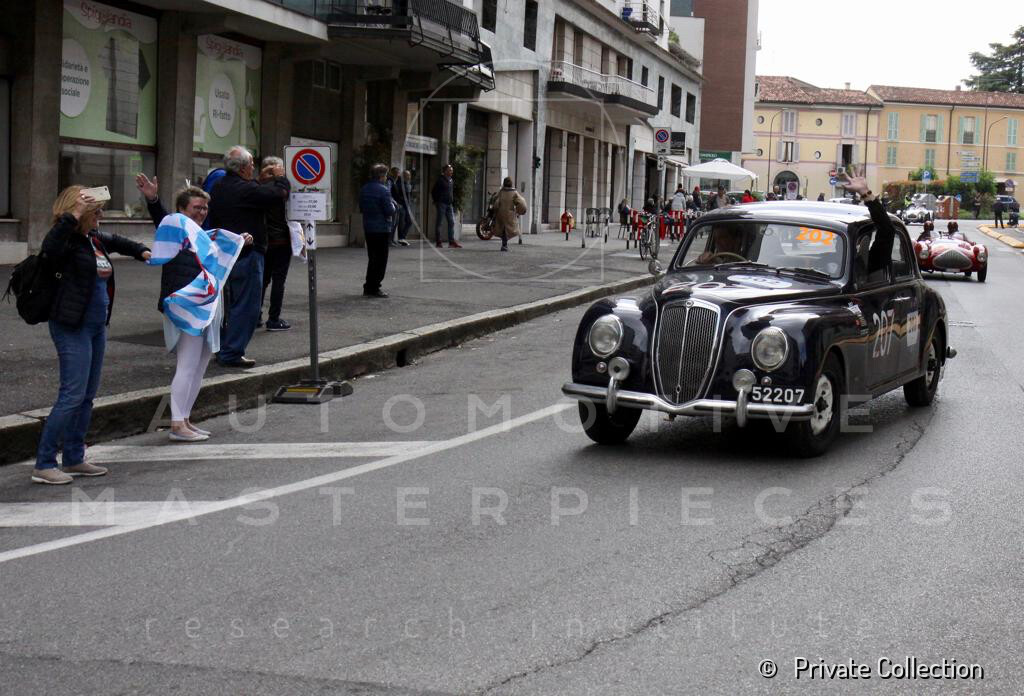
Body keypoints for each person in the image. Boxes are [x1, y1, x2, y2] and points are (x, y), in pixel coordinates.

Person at [32, 187, 152, 484]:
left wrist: (142, 251)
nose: (101, 215)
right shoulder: (66, 239)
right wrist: (73, 213)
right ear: (80, 212)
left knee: (86, 397)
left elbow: (119, 242)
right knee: (72, 395)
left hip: (97, 326)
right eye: (95, 210)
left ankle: (74, 458)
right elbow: (49, 250)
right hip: (72, 326)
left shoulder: (93, 238)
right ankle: (44, 463)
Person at [137, 174, 250, 441]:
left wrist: (241, 243)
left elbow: (221, 261)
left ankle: (185, 419)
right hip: (185, 304)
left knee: (199, 365)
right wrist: (153, 200)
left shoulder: (200, 236)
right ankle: (177, 424)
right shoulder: (177, 227)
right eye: (197, 207)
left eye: (205, 208)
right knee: (188, 365)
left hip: (206, 305)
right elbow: (163, 219)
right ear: (182, 209)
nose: (202, 212)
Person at [205, 146, 290, 368]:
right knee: (247, 307)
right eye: (252, 164)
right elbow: (278, 195)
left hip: (225, 255)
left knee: (228, 306)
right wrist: (280, 178)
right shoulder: (245, 189)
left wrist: (260, 180)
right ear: (243, 168)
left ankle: (223, 348)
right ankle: (232, 352)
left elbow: (254, 192)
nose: (254, 168)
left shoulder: (220, 186)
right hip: (248, 254)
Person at [256, 157, 293, 332]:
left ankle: (256, 316)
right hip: (281, 240)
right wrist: (281, 178)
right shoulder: (282, 188)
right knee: (279, 281)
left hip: (264, 240)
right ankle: (274, 318)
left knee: (262, 281)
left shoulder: (258, 188)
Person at [360, 163, 396, 297]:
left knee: (372, 257)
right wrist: (393, 205)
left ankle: (369, 285)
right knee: (381, 259)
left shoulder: (364, 189)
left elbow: (361, 207)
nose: (386, 178)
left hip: (368, 227)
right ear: (381, 176)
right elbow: (389, 210)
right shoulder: (384, 190)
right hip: (382, 227)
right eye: (385, 175)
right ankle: (374, 286)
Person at [490, 177, 528, 252]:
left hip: (501, 213)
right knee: (509, 229)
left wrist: (495, 209)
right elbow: (522, 203)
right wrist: (519, 211)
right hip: (510, 214)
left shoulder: (501, 192)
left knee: (503, 229)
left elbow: (495, 200)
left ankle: (504, 245)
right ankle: (505, 245)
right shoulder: (514, 193)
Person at [432, 164, 461, 248]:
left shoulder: (451, 180)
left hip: (449, 204)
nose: (451, 172)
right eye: (449, 170)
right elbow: (433, 191)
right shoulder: (440, 180)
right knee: (439, 223)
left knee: (451, 222)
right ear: (445, 171)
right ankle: (438, 242)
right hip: (441, 203)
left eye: (452, 170)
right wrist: (437, 201)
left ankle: (451, 242)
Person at [392, 169, 413, 246]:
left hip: (407, 205)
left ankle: (402, 238)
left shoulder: (407, 183)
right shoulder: (399, 184)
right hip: (402, 205)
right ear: (403, 176)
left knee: (407, 222)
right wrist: (400, 202)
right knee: (402, 222)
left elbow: (408, 195)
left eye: (409, 175)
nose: (409, 177)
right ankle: (401, 238)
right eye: (407, 175)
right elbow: (397, 195)